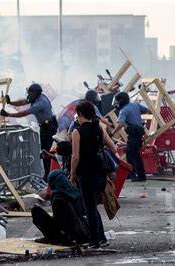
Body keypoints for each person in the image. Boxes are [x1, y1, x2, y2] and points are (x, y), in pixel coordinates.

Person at [70, 100, 116, 249]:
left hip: (86, 174)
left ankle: (95, 241)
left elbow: (75, 156)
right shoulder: (99, 129)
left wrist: (72, 174)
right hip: (100, 175)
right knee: (92, 207)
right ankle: (101, 238)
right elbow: (113, 148)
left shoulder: (77, 132)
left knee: (89, 208)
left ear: (80, 114)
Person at [1, 83, 58, 181]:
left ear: (35, 93)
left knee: (46, 151)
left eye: (30, 93)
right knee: (45, 150)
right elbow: (23, 101)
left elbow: (24, 113)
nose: (29, 95)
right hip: (45, 126)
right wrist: (11, 102)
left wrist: (8, 114)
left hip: (49, 128)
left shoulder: (41, 103)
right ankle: (47, 174)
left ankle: (48, 175)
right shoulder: (36, 98)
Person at [32, 170, 89, 246]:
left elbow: (61, 222)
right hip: (83, 232)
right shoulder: (75, 192)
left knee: (36, 211)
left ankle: (54, 238)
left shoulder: (58, 198)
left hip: (69, 235)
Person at [110, 92, 149, 182]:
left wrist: (112, 133)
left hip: (133, 135)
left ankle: (139, 176)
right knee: (130, 153)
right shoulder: (135, 105)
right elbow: (146, 110)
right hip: (139, 134)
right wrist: (136, 115)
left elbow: (120, 124)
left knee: (134, 155)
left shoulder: (123, 111)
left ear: (121, 101)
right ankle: (132, 174)